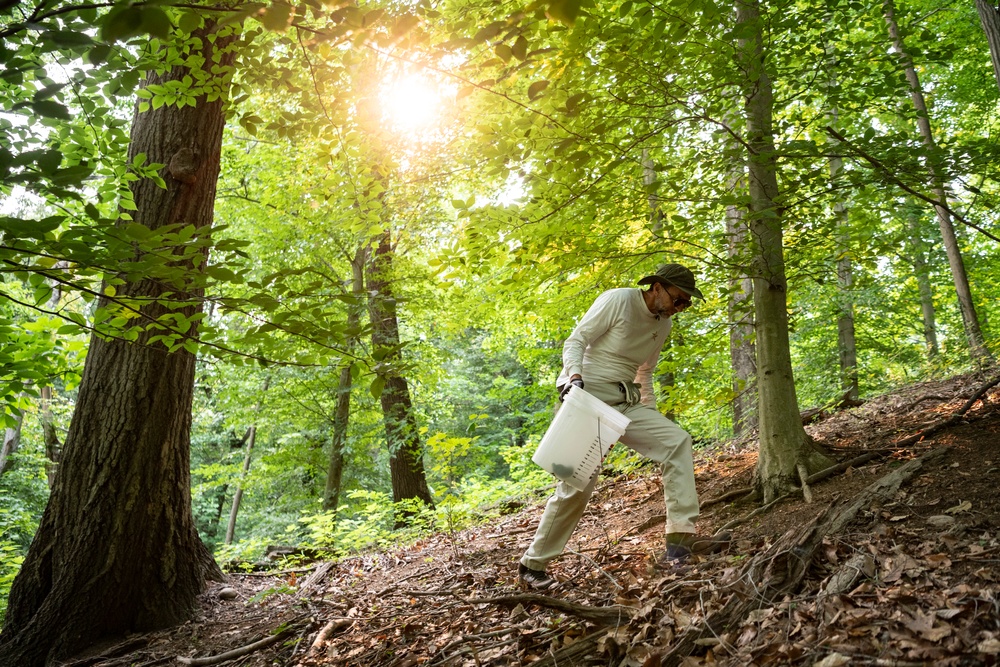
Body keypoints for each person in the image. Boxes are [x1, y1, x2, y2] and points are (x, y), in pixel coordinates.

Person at [518, 263, 731, 590]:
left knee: (677, 442)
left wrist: (651, 418)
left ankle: (679, 542)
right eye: (678, 299)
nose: (680, 308)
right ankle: (533, 566)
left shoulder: (664, 325)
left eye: (686, 304)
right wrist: (574, 376)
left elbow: (644, 373)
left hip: (628, 400)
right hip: (588, 396)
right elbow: (577, 339)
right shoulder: (618, 300)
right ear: (657, 287)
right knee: (578, 485)